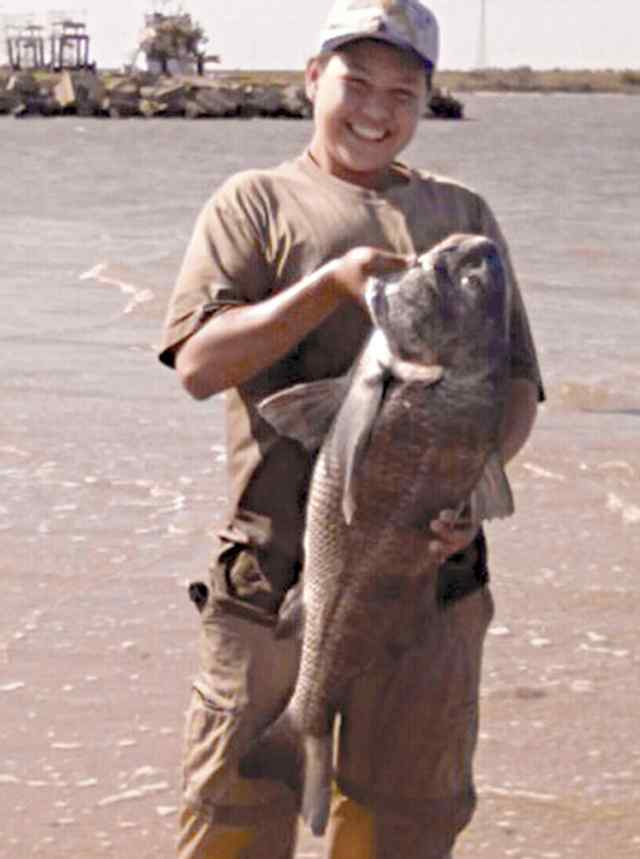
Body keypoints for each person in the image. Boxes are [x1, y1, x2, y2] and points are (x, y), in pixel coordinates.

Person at [158, 2, 544, 857]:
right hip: (272, 584)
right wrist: (328, 287)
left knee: (404, 830)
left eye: (403, 90)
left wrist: (469, 493)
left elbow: (516, 384)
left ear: (427, 100)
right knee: (230, 827)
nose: (378, 108)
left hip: (432, 592)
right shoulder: (253, 202)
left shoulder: (466, 216)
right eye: (356, 81)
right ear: (311, 78)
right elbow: (197, 366)